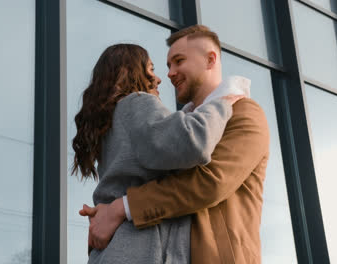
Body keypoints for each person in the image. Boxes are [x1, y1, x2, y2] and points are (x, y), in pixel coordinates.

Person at [81, 25, 270, 264]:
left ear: (210, 59)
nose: (169, 73)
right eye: (167, 65)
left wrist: (120, 208)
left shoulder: (242, 111)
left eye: (178, 61)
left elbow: (210, 182)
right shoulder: (173, 126)